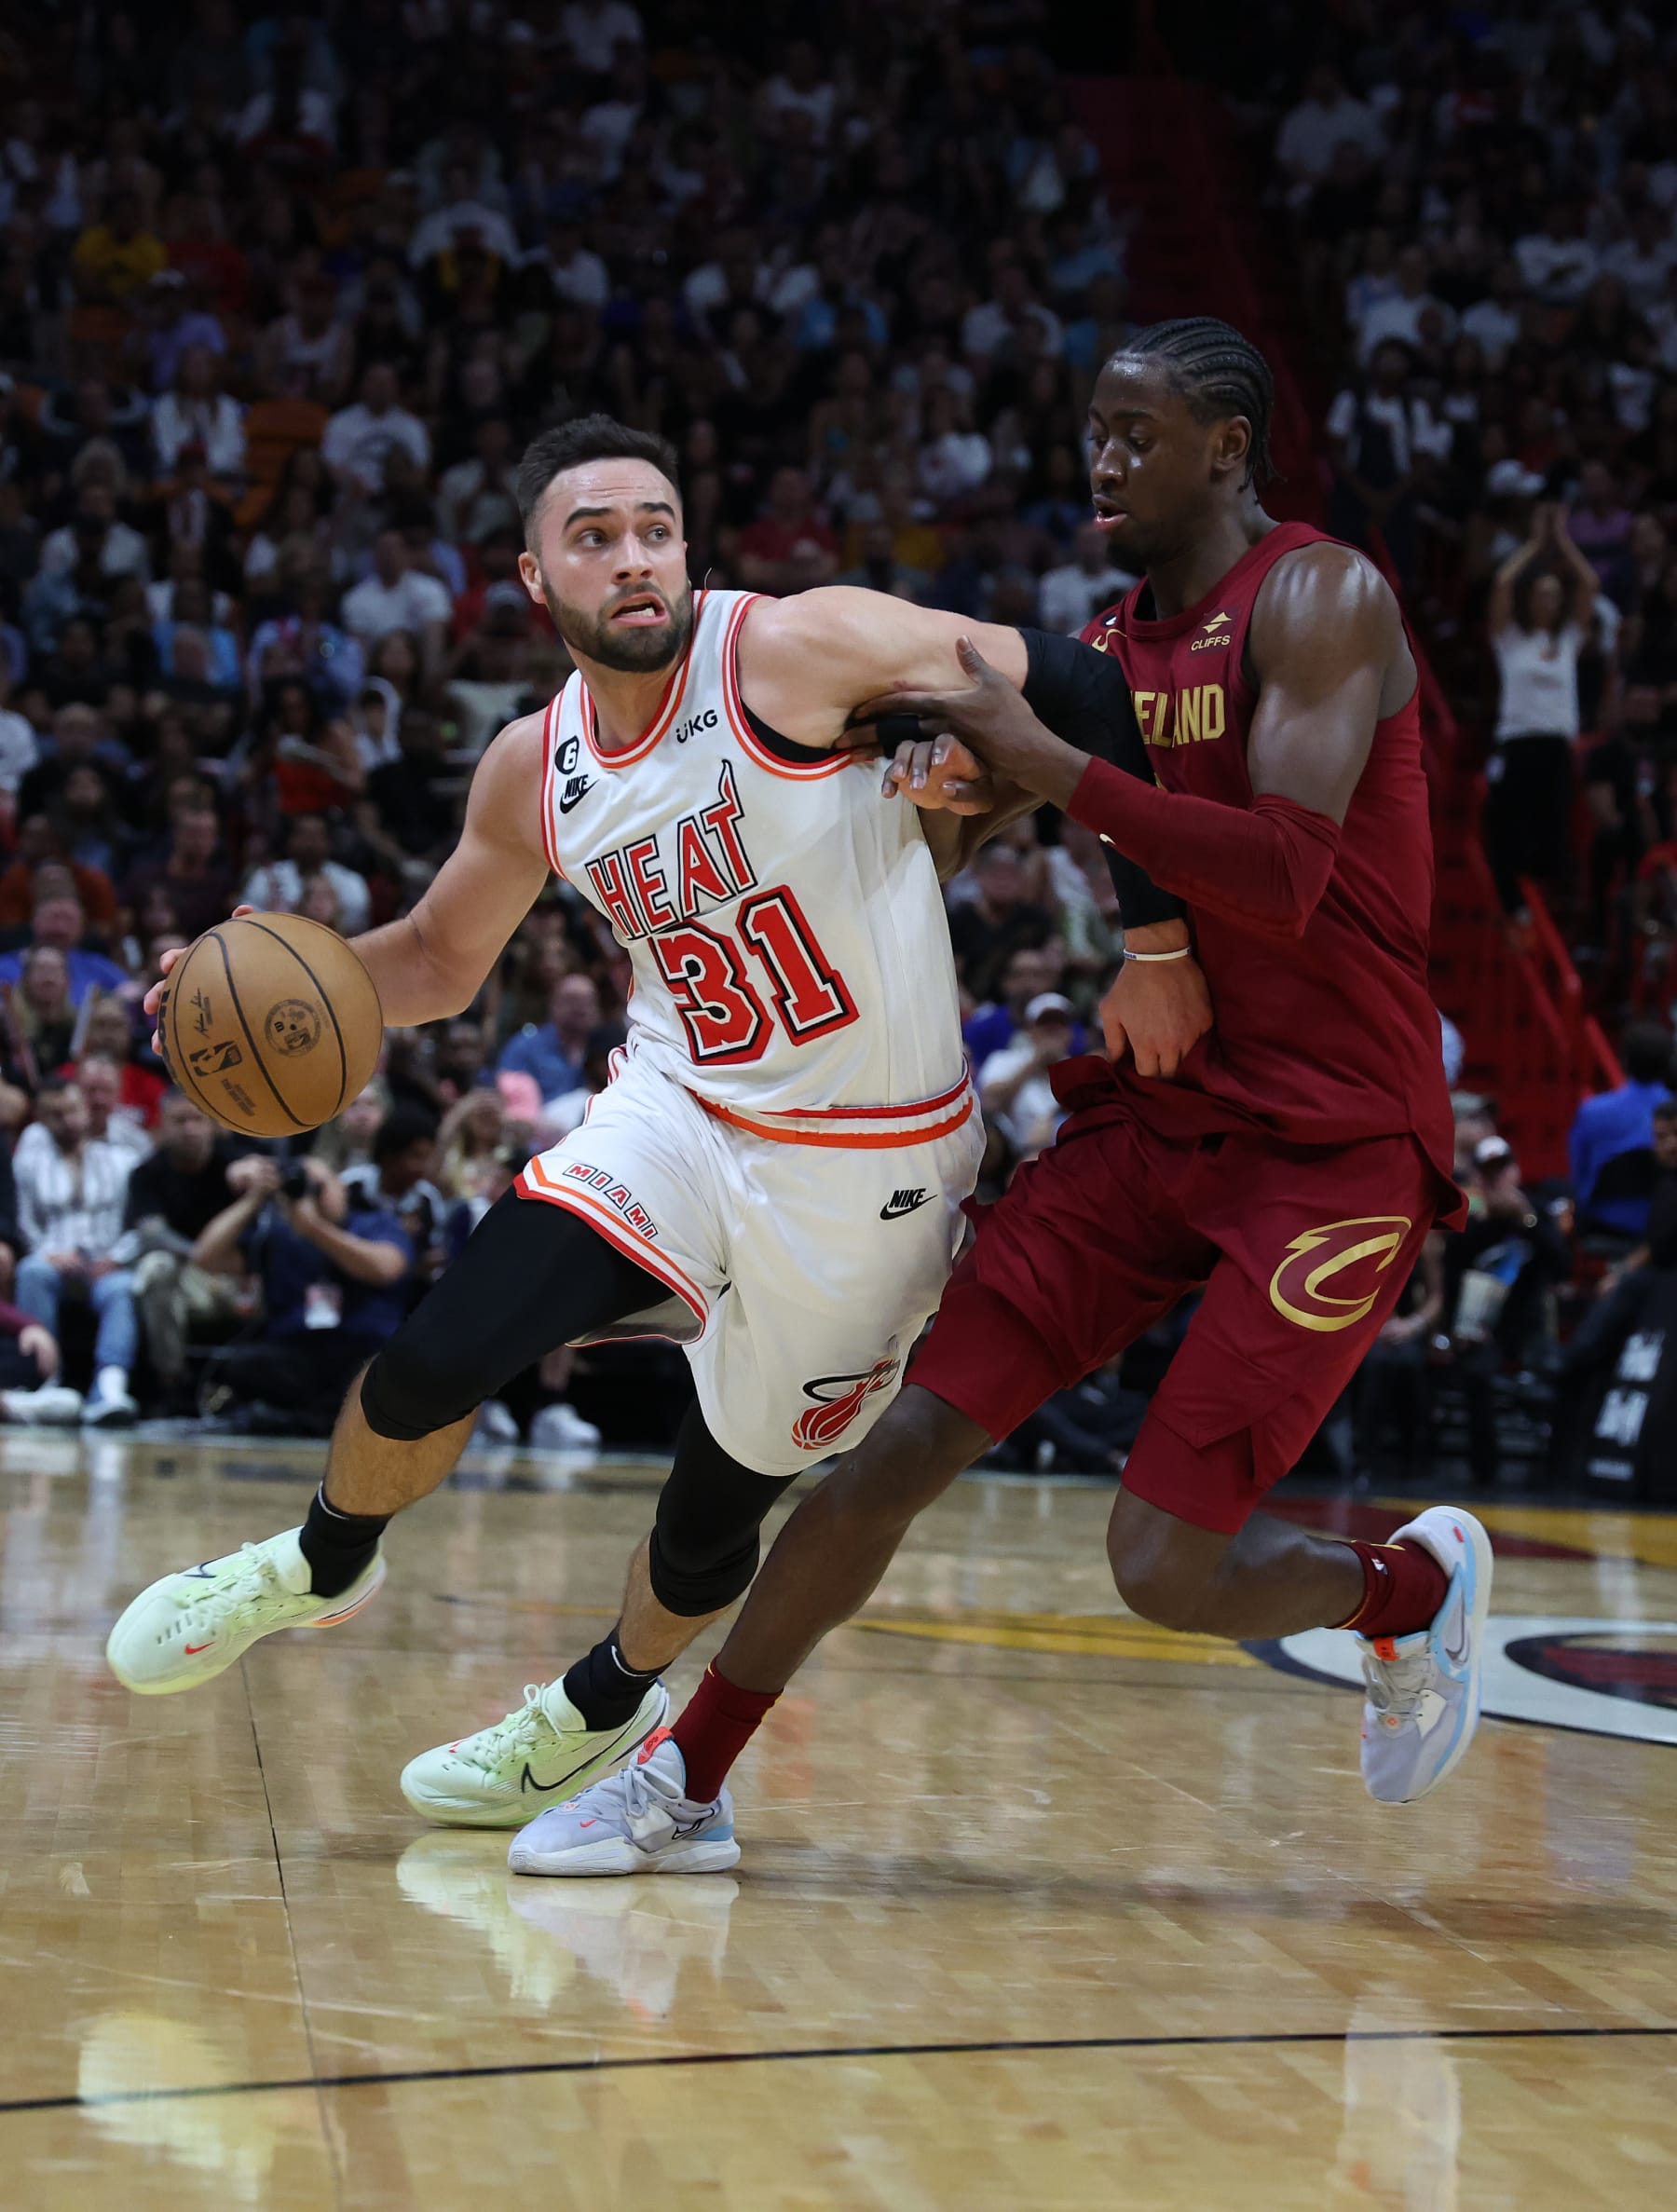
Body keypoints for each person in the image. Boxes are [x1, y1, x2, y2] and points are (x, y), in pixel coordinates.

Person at [103, 413, 1207, 1836]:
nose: (634, 558)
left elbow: (1083, 682)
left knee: (710, 1515)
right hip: (678, 1107)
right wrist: (252, 973)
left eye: (655, 528)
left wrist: (1159, 941)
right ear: (533, 578)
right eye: (595, 536)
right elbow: (439, 962)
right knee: (444, 1345)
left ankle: (595, 1711)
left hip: (874, 1165)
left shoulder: (800, 650)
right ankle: (322, 1560)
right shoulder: (534, 763)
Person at [515, 321, 1495, 1879]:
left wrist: (1044, 756)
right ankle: (680, 1780)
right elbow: (1049, 821)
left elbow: (1295, 876)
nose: (1102, 462)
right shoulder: (1106, 649)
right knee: (893, 1443)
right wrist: (935, 804)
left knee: (1160, 1563)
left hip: (1337, 1145)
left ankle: (1407, 1593)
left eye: (1138, 435)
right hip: (1163, 1110)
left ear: (1228, 448)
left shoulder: (1322, 597)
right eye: (1094, 432)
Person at [191, 1155, 417, 1433]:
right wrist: (254, 1199)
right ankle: (313, 1420)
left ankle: (300, 1420)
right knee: (244, 1366)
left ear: (341, 1187)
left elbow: (385, 1269)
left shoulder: (374, 1223)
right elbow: (205, 1257)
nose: (315, 1198)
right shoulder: (280, 1234)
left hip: (362, 1350)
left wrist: (315, 1230)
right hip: (299, 1353)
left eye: (319, 1187)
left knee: (374, 1380)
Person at [1483, 504, 1600, 916]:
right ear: (1529, 599)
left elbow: (1589, 583)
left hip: (1554, 748)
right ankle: (1514, 906)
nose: (1547, 601)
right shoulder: (1511, 640)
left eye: (1553, 594)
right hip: (1517, 744)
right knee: (1504, 827)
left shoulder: (1568, 640)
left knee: (1552, 836)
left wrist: (1562, 541)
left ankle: (1545, 913)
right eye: (1540, 593)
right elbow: (1501, 582)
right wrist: (1534, 544)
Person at [14, 1076, 139, 1424]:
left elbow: (139, 1223)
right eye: (56, 1114)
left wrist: (117, 1257)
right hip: (54, 1260)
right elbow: (25, 1223)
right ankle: (43, 1382)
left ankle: (110, 1387)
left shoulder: (122, 1158)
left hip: (107, 1262)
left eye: (72, 1111)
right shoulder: (29, 1161)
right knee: (31, 1272)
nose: (67, 1120)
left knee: (123, 1288)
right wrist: (47, 1252)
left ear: (84, 1109)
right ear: (42, 1118)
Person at [116, 1089, 252, 1405]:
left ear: (212, 1124)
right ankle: (173, 1384)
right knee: (155, 1268)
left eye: (197, 1120)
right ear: (162, 1126)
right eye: (179, 1121)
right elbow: (152, 1234)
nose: (190, 1129)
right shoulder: (146, 1173)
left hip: (239, 1277)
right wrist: (203, 1256)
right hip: (188, 1276)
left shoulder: (237, 1163)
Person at [1569, 1020, 1673, 1237]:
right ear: (1667, 1063)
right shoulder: (1673, 1111)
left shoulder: (1592, 1111)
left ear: (1624, 1060)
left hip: (1604, 1219)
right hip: (1666, 1223)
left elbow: (1579, 1173)